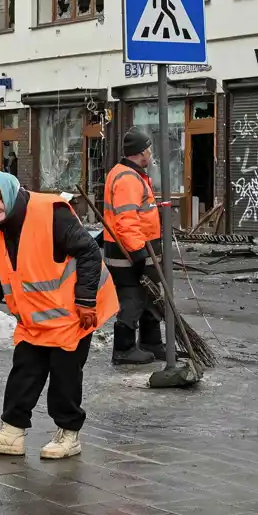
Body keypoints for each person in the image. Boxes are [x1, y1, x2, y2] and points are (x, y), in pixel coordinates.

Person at [0, 170, 117, 459]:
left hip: (73, 313)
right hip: (35, 318)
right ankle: (11, 433)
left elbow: (88, 251)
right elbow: (1, 273)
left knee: (64, 377)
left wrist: (86, 300)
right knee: (24, 372)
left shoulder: (50, 212)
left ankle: (69, 434)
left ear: (9, 193)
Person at [101, 128, 165, 365]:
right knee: (133, 298)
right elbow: (126, 221)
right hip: (129, 252)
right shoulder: (127, 178)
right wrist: (138, 253)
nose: (150, 153)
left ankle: (151, 343)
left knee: (150, 296)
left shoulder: (130, 174)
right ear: (140, 152)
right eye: (148, 149)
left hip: (139, 248)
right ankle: (124, 348)